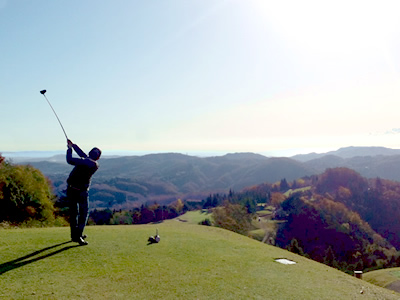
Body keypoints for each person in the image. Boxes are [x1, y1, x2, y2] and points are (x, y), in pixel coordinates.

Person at [66, 139, 101, 246]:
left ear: (90, 153)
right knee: (83, 214)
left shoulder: (88, 162)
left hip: (72, 189)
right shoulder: (94, 164)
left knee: (74, 213)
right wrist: (73, 146)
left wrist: (69, 149)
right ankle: (78, 236)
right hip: (81, 192)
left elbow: (70, 160)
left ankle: (75, 235)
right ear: (98, 157)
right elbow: (83, 156)